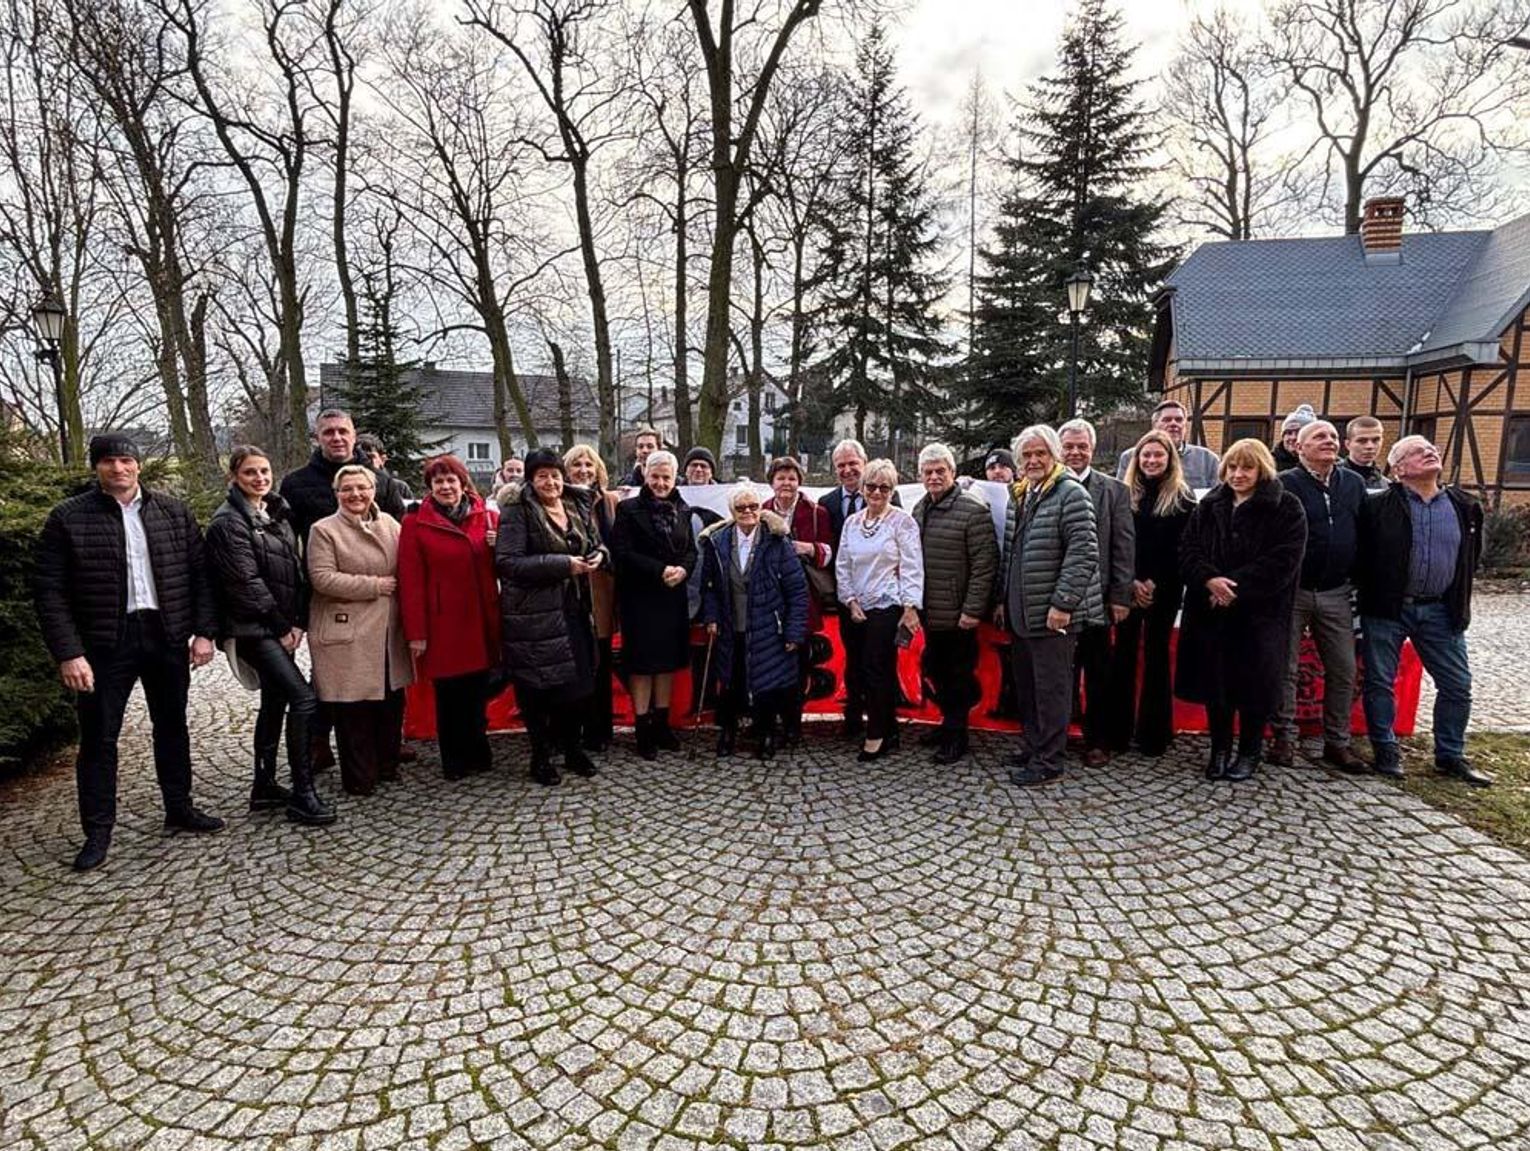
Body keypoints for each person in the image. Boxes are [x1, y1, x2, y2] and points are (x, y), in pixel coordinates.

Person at [33, 434, 225, 871]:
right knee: (100, 738)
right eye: (108, 462)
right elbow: (49, 592)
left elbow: (200, 576)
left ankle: (179, 807)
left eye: (125, 460)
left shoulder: (172, 512)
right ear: (96, 467)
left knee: (172, 725)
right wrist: (69, 653)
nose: (118, 469)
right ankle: (97, 832)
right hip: (104, 642)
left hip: (165, 633)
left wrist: (204, 632)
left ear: (139, 465)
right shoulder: (68, 519)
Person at [206, 445, 336, 827]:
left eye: (264, 471)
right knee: (304, 698)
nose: (259, 478)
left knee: (276, 702)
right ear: (234, 477)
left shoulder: (275, 513)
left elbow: (293, 571)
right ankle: (302, 791)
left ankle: (263, 786)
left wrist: (296, 621)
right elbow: (244, 583)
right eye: (250, 473)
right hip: (253, 628)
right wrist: (282, 626)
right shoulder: (229, 523)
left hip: (279, 626)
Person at [1356, 436, 1490, 786]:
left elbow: (1469, 559)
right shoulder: (1377, 507)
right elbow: (1362, 558)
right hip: (1388, 608)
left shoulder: (1464, 505)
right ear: (1398, 470)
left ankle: (1450, 754)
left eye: (1430, 448)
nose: (1429, 452)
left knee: (1457, 684)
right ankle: (1385, 749)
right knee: (1379, 682)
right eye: (1417, 451)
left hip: (1441, 610)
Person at [280, 408, 408, 769]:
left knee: (382, 672)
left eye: (343, 432)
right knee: (333, 674)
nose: (336, 438)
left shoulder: (380, 481)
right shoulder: (297, 483)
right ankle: (320, 739)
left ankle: (384, 745)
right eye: (328, 433)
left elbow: (398, 532)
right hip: (328, 595)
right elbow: (289, 545)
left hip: (380, 601)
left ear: (354, 435)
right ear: (318, 438)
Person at [1177, 439, 1307, 783]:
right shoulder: (1210, 505)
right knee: (1216, 684)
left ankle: (1249, 751)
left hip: (1258, 613)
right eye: (1232, 467)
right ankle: (1219, 748)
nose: (1238, 474)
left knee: (1254, 685)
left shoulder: (1286, 507)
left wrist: (1233, 586)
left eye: (1246, 468)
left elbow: (1284, 560)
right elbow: (1188, 549)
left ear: (1261, 469)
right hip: (1211, 611)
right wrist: (1209, 580)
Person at [998, 426, 1102, 787]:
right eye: (1026, 455)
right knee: (1027, 686)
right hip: (1022, 612)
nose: (1033, 461)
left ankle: (1050, 760)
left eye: (1040, 453)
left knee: (1053, 689)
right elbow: (1011, 552)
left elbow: (1084, 553)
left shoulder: (1070, 494)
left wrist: (1063, 603)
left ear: (1054, 455)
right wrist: (1002, 599)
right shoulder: (1022, 493)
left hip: (1052, 613)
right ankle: (1034, 745)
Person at [498, 448, 608, 786]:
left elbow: (596, 542)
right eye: (542, 475)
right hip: (535, 615)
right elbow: (507, 562)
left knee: (578, 685)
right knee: (539, 689)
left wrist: (599, 556)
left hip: (574, 609)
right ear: (531, 479)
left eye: (555, 474)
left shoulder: (576, 504)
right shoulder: (518, 510)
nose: (551, 481)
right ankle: (541, 756)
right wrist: (563, 565)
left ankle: (572, 748)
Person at [306, 464, 413, 797]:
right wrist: (375, 585)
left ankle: (387, 764)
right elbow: (321, 578)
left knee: (390, 701)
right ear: (337, 494)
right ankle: (359, 776)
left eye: (362, 488)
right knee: (353, 708)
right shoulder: (324, 530)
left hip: (387, 631)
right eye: (347, 489)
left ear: (374, 490)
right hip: (347, 629)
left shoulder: (390, 524)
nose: (356, 495)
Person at [1269, 419, 1368, 772]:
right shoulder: (1284, 484)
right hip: (1293, 591)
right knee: (1286, 667)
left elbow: (1365, 533)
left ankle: (1337, 742)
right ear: (1299, 447)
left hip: (1336, 591)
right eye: (1319, 437)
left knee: (1343, 668)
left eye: (1332, 436)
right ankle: (1284, 737)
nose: (1328, 441)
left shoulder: (1353, 484)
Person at [398, 455, 501, 780]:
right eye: (438, 482)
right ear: (429, 488)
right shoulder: (415, 523)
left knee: (477, 689)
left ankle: (477, 748)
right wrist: (416, 632)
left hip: (482, 616)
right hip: (443, 623)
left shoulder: (485, 517)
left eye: (450, 480)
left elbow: (506, 563)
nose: (445, 487)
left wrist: (498, 545)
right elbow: (410, 580)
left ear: (462, 483)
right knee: (449, 694)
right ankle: (454, 757)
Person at [698, 487, 810, 760]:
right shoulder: (718, 541)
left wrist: (794, 630)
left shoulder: (777, 541)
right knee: (731, 681)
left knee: (768, 683)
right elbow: (709, 585)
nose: (748, 512)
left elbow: (797, 590)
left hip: (768, 625)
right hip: (730, 624)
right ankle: (728, 732)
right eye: (741, 508)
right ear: (731, 512)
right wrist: (711, 617)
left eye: (753, 506)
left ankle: (767, 733)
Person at [910, 443, 998, 764]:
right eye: (928, 472)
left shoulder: (973, 510)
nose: (934, 477)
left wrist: (973, 610)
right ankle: (948, 722)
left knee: (958, 675)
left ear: (953, 473)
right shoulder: (920, 508)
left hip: (959, 613)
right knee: (934, 669)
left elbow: (985, 565)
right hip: (930, 611)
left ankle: (956, 735)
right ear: (920, 476)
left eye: (940, 471)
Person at [1112, 432, 1195, 757]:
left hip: (1166, 587)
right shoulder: (1123, 495)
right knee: (1124, 655)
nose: (1151, 461)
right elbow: (1116, 543)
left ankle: (1154, 732)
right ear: (1137, 459)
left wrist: (1154, 583)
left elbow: (1185, 548)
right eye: (1145, 455)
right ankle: (1117, 731)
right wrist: (1131, 581)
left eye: (1158, 455)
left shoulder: (1183, 499)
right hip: (1126, 585)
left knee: (1157, 657)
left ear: (1169, 460)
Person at [835, 458, 924, 761]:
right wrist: (850, 601)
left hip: (887, 605)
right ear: (862, 488)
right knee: (860, 669)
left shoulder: (902, 522)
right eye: (871, 486)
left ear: (892, 490)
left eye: (884, 487)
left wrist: (911, 606)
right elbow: (843, 564)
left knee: (878, 670)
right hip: (857, 606)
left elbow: (913, 566)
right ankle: (889, 728)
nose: (877, 492)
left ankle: (877, 734)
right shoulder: (852, 522)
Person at [611, 449, 697, 758]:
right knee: (643, 666)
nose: (661, 483)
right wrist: (659, 570)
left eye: (667, 478)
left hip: (672, 598)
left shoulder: (684, 510)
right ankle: (643, 728)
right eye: (655, 477)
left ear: (675, 479)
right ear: (645, 475)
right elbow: (621, 553)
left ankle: (662, 724)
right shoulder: (628, 509)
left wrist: (684, 569)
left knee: (667, 664)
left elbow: (691, 551)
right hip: (641, 598)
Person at [1059, 419, 1134, 766]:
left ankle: (1098, 740)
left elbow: (1123, 546)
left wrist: (1120, 596)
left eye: (1081, 446)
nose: (1075, 452)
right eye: (1069, 446)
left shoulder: (1114, 490)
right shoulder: (1045, 486)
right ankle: (1056, 736)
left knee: (1098, 673)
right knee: (1060, 675)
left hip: (1099, 600)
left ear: (1092, 448)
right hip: (1055, 600)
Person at [820, 438, 900, 739]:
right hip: (847, 595)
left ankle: (884, 723)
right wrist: (846, 595)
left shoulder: (892, 501)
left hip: (883, 599)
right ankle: (853, 715)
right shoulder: (826, 503)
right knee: (854, 660)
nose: (847, 470)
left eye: (853, 463)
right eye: (840, 465)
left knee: (879, 662)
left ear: (864, 463)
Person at [763, 455, 835, 742]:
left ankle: (794, 723)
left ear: (799, 482)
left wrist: (806, 548)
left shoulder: (817, 513)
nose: (786, 483)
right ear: (771, 482)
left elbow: (830, 552)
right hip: (769, 602)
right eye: (781, 478)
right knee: (772, 663)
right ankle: (770, 721)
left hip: (804, 600)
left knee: (799, 664)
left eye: (791, 478)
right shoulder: (761, 510)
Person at [564, 444, 621, 751]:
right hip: (569, 593)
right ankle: (575, 729)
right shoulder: (558, 502)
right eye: (577, 465)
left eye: (589, 465)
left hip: (601, 592)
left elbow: (620, 545)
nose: (583, 470)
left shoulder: (611, 503)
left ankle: (600, 730)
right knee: (576, 665)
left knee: (600, 662)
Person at [1115, 400, 1220, 489]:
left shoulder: (1207, 460)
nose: (1174, 424)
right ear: (1154, 425)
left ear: (1185, 426)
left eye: (1179, 420)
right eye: (1167, 420)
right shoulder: (1130, 457)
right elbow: (1120, 497)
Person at [357, 433, 414, 501]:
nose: (365, 463)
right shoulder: (347, 489)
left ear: (382, 459)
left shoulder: (400, 488)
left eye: (370, 457)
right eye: (360, 458)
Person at [1342, 416, 1389, 492]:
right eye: (1362, 441)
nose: (1369, 446)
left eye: (1375, 440)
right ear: (1347, 444)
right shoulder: (1331, 479)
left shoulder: (1386, 486)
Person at [1274, 404, 1315, 471]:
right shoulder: (1269, 462)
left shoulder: (1321, 462)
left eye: (1299, 433)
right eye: (1289, 433)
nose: (1293, 437)